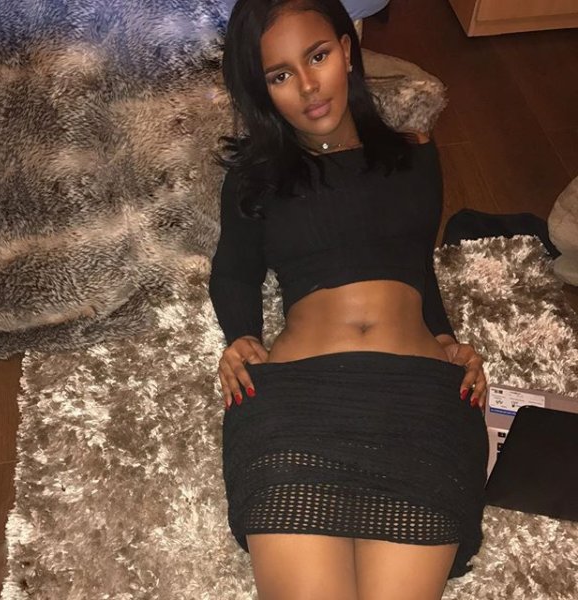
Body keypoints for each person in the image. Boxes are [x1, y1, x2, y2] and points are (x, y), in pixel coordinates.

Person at [208, 0, 489, 598]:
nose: (308, 86)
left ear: (346, 49)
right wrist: (241, 335)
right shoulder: (255, 178)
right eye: (280, 75)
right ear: (262, 90)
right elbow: (233, 273)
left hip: (420, 403)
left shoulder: (416, 155)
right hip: (295, 402)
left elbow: (415, 264)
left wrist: (446, 338)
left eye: (317, 57)